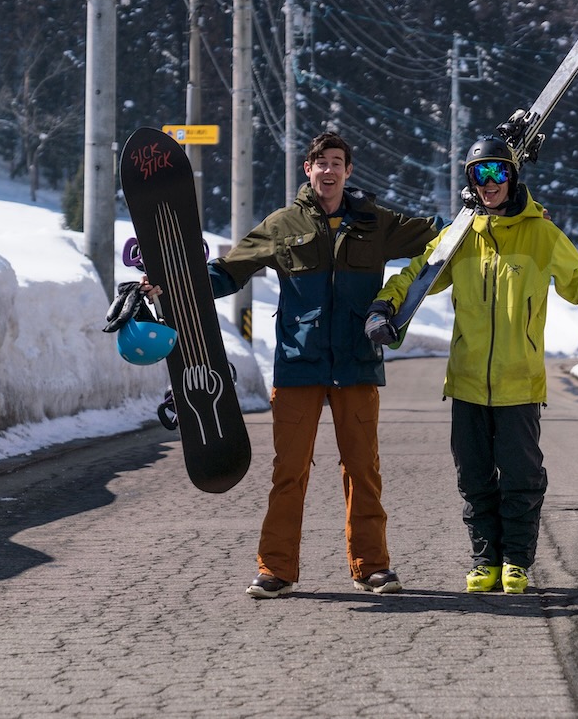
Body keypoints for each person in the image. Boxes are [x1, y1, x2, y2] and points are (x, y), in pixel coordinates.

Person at [366, 133, 578, 595]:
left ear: (512, 175)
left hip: (519, 386)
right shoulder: (459, 237)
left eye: (498, 171)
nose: (490, 182)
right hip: (465, 384)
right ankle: (485, 559)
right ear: (470, 181)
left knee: (521, 480)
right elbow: (415, 276)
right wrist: (383, 307)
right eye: (480, 174)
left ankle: (516, 562)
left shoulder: (541, 234)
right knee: (474, 479)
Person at [149, 131, 438, 599]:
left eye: (337, 162)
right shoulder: (282, 225)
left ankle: (372, 567)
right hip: (298, 367)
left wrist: (492, 213)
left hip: (357, 365)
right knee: (289, 471)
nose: (328, 169)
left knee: (363, 469)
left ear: (348, 171)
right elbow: (228, 270)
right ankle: (275, 569)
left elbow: (440, 232)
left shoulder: (376, 223)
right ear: (308, 170)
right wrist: (172, 281)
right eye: (320, 161)